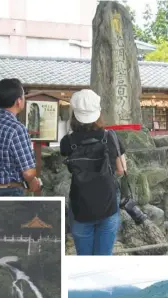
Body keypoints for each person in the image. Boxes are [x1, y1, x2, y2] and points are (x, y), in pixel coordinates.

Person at [60, 89, 126, 256]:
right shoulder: (110, 137)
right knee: (103, 257)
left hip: (80, 206)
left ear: (74, 114)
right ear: (98, 113)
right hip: (108, 204)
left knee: (84, 258)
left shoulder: (67, 142)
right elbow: (121, 170)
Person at [0, 78, 41, 196]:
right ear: (18, 101)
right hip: (9, 191)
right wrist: (33, 181)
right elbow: (28, 172)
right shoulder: (16, 129)